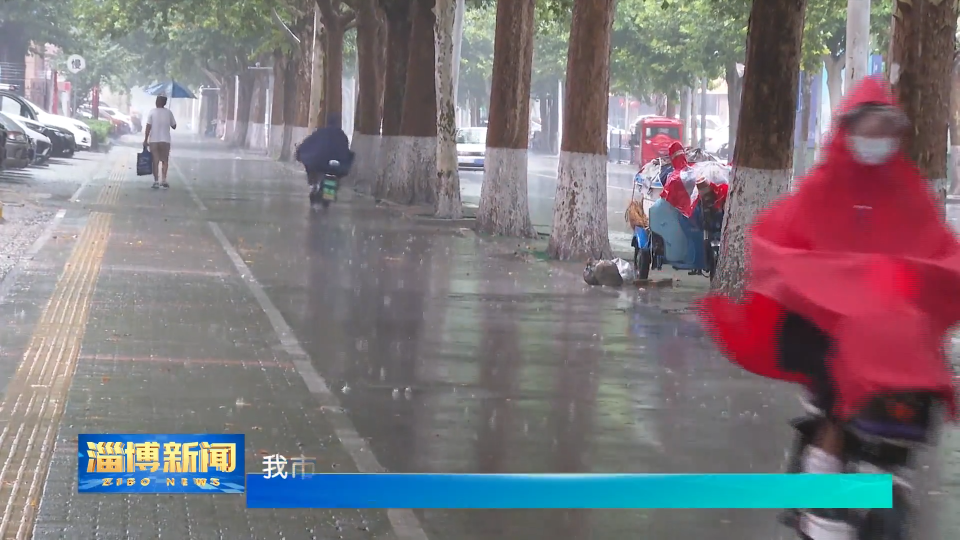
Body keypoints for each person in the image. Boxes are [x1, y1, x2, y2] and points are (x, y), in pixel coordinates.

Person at [699, 76, 960, 540]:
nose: (876, 139)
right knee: (835, 411)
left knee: (907, 418)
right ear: (848, 130)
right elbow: (781, 243)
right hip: (829, 337)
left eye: (887, 129)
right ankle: (820, 506)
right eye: (868, 127)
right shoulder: (821, 189)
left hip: (891, 345)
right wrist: (824, 285)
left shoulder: (910, 192)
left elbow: (937, 252)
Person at [295, 113, 354, 196]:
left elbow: (308, 143)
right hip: (337, 167)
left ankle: (314, 185)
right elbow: (345, 150)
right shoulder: (342, 135)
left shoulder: (320, 132)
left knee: (311, 167)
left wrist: (300, 150)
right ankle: (326, 192)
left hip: (320, 164)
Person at [143, 95, 177, 189]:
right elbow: (174, 126)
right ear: (165, 103)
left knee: (155, 161)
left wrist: (145, 139)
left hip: (154, 140)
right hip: (165, 140)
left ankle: (156, 181)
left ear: (157, 102)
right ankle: (164, 180)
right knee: (165, 161)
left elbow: (148, 127)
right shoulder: (169, 112)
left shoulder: (152, 112)